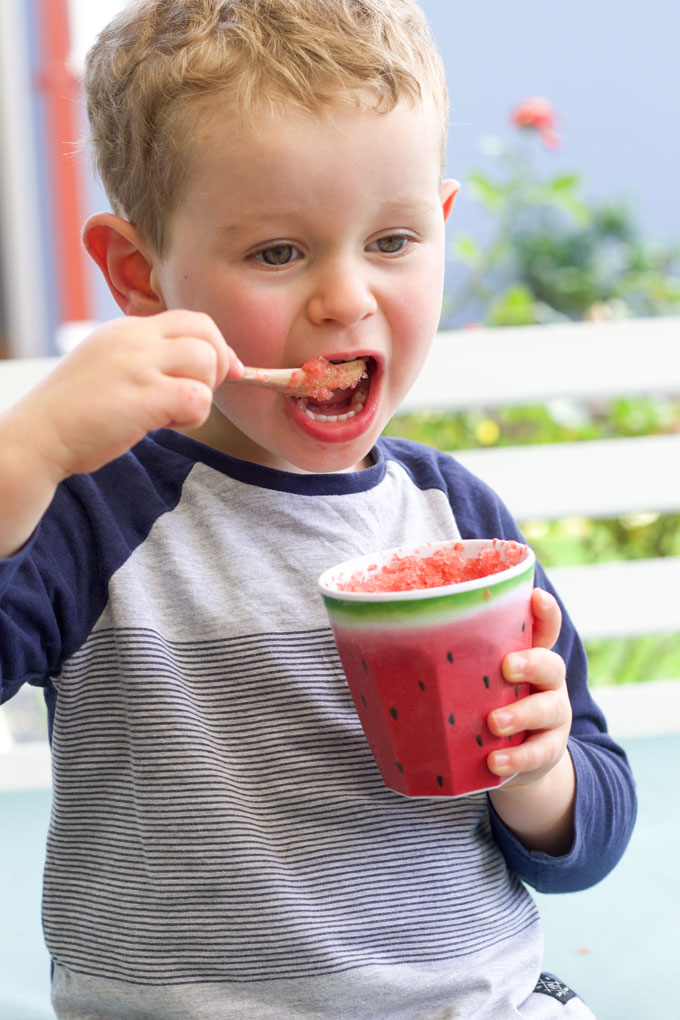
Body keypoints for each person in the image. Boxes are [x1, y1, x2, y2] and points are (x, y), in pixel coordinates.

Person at [0, 1, 636, 1017]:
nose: (345, 299)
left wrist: (540, 776)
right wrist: (22, 456)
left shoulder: (458, 519)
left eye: (390, 239)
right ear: (140, 273)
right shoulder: (93, 515)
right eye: (276, 254)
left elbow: (583, 837)